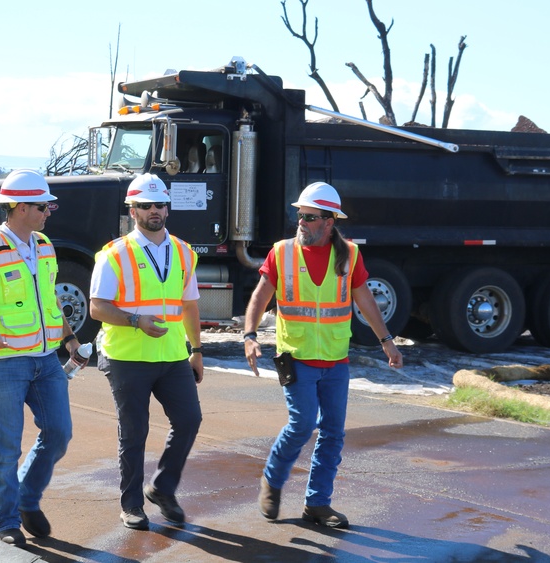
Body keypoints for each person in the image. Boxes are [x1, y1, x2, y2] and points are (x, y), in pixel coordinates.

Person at [243, 182, 404, 529]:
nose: (301, 222)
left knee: (332, 432)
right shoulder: (282, 253)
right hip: (296, 356)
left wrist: (387, 341)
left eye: (310, 217)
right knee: (302, 424)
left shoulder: (349, 254)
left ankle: (317, 504)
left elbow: (365, 301)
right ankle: (272, 481)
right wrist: (250, 335)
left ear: (329, 222)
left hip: (335, 361)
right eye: (299, 215)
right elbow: (259, 297)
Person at [0, 169, 77, 547]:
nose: (49, 212)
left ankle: (27, 497)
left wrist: (70, 338)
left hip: (45, 360)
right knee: (7, 446)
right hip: (5, 361)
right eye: (44, 206)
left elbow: (51, 297)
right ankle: (5, 520)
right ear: (21, 207)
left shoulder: (44, 244)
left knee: (59, 433)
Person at [89, 173, 204, 531]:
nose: (154, 210)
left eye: (159, 204)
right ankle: (132, 505)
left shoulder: (184, 252)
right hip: (127, 357)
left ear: (167, 207)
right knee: (134, 432)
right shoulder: (115, 254)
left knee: (189, 420)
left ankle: (162, 488)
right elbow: (97, 307)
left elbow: (190, 305)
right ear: (133, 209)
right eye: (145, 205)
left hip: (171, 357)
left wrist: (197, 349)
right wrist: (137, 321)